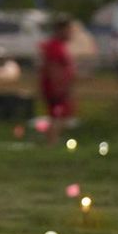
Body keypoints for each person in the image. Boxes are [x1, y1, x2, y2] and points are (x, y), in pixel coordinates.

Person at [39, 17, 75, 145]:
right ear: (61, 30)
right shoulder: (54, 47)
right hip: (55, 88)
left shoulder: (59, 46)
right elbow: (53, 68)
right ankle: (51, 143)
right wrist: (59, 87)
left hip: (58, 86)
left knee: (60, 116)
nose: (71, 33)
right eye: (69, 30)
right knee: (58, 117)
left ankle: (52, 141)